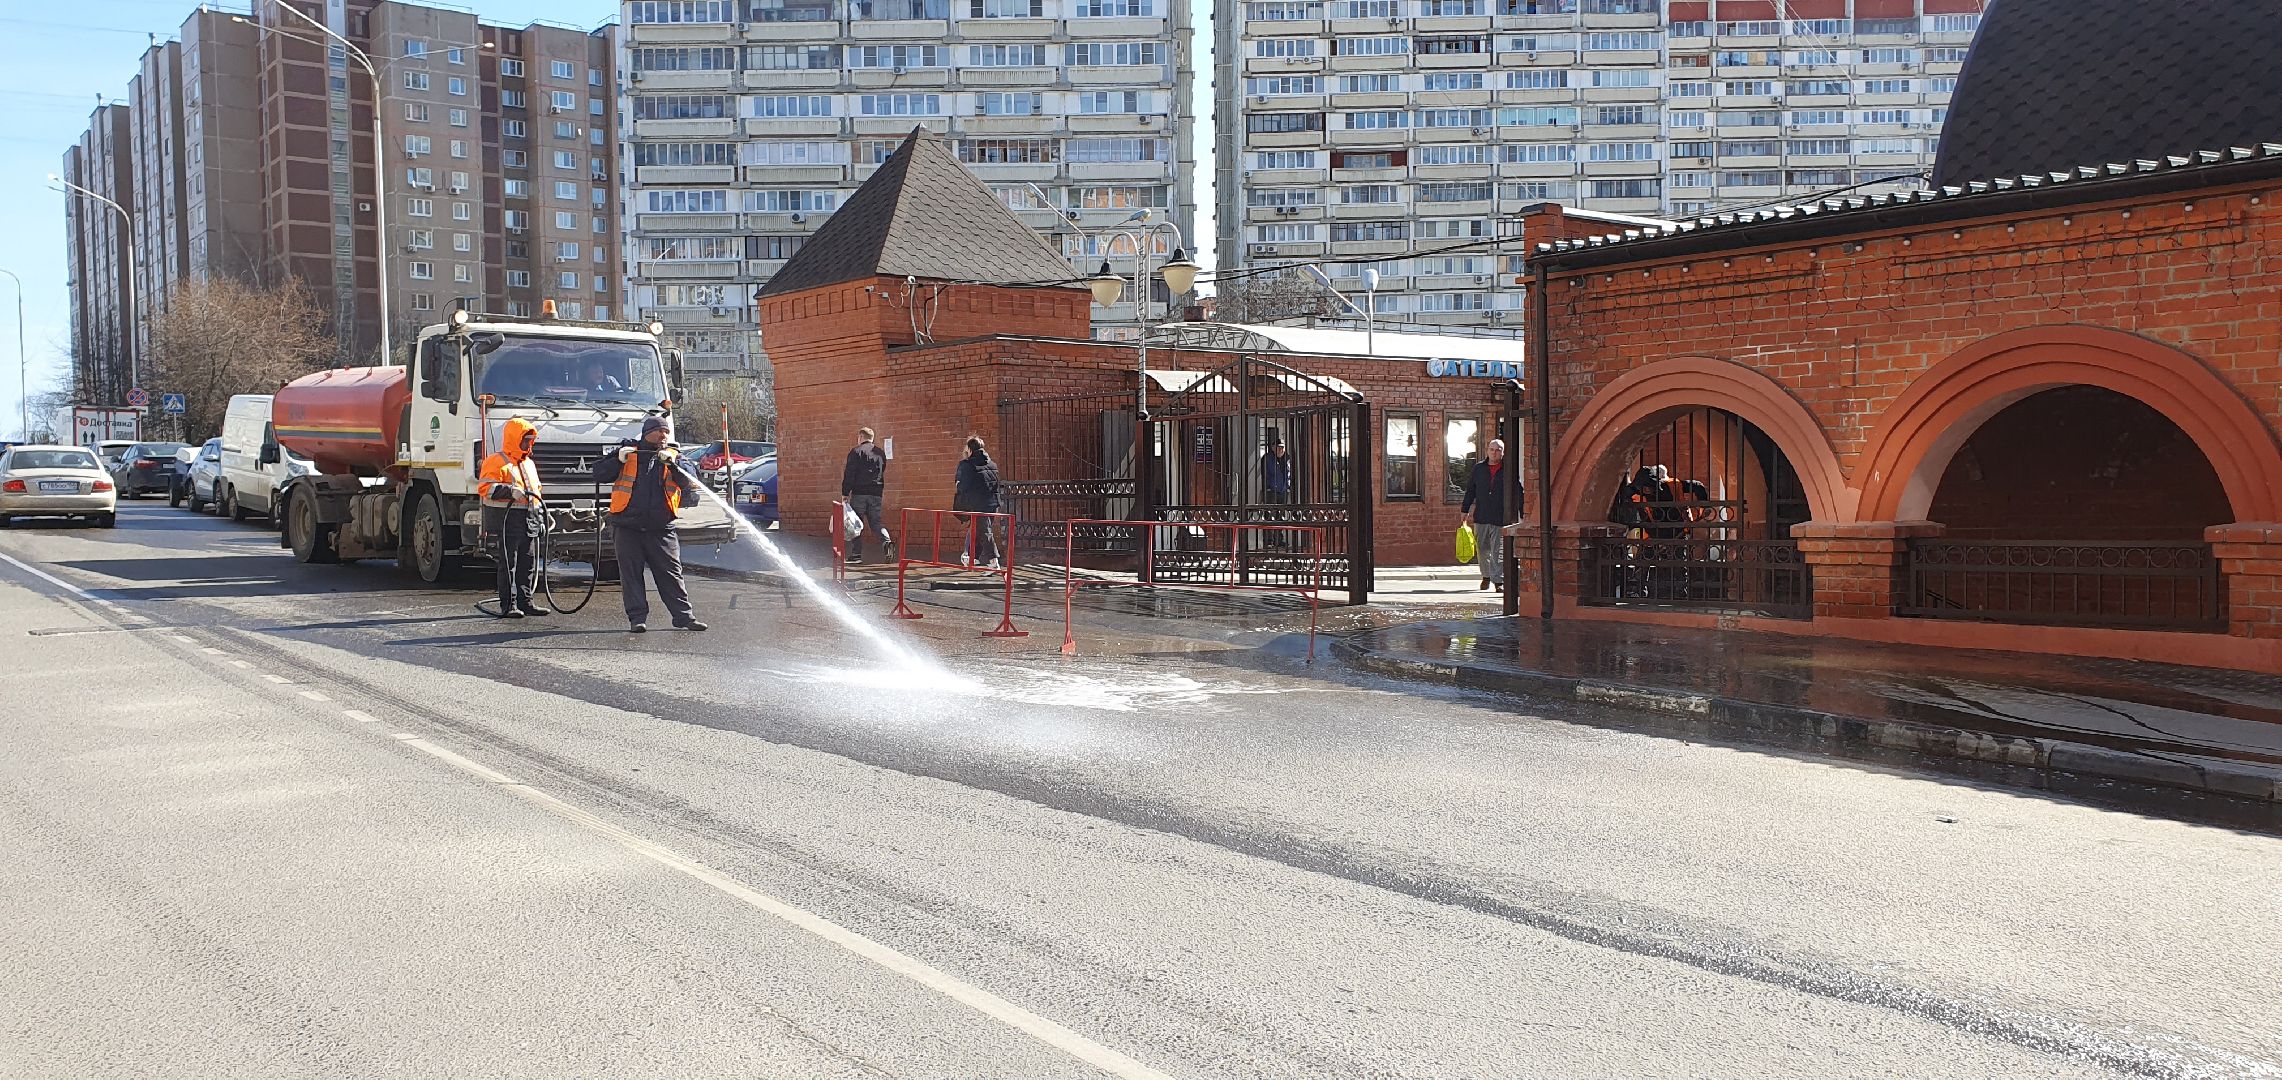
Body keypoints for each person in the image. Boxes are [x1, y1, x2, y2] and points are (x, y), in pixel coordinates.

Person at [609, 416, 707, 633]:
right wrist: (617, 459)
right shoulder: (628, 453)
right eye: (659, 432)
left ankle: (683, 617)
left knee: (671, 573)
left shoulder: (674, 457)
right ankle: (637, 619)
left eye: (666, 432)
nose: (664, 436)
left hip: (661, 528)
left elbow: (690, 479)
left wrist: (673, 465)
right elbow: (598, 474)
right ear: (647, 433)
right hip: (627, 526)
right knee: (631, 575)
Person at [478, 416, 547, 618]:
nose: (528, 444)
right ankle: (508, 605)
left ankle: (526, 603)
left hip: (529, 520)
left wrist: (540, 519)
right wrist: (509, 491)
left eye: (530, 440)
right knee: (509, 564)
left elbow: (537, 493)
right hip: (507, 520)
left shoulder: (529, 465)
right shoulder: (496, 461)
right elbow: (485, 488)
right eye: (525, 440)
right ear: (514, 438)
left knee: (528, 564)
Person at [1459, 438, 1518, 592]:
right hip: (1482, 515)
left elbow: (1517, 490)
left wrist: (1520, 510)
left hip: (1500, 516)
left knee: (1499, 549)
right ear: (1487, 451)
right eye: (1492, 449)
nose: (1494, 452)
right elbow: (1470, 489)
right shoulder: (1479, 469)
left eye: (1498, 450)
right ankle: (1486, 576)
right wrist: (1465, 510)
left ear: (1503, 452)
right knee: (1482, 548)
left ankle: (1498, 581)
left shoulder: (1508, 469)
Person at [840, 426, 891, 564]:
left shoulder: (856, 452)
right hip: (876, 493)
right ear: (872, 438)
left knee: (856, 524)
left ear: (861, 437)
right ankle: (887, 541)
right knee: (876, 523)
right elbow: (882, 470)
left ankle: (856, 555)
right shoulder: (880, 453)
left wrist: (845, 493)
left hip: (860, 493)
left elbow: (850, 473)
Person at [952, 435, 1003, 569]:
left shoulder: (966, 464)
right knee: (977, 529)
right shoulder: (992, 464)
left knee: (984, 532)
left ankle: (993, 561)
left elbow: (962, 486)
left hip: (977, 504)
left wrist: (958, 484)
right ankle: (971, 556)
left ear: (969, 449)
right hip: (992, 503)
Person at [1260, 432, 1292, 504]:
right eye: (1278, 447)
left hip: (1283, 492)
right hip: (1271, 492)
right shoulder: (1267, 458)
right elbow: (1264, 474)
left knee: (1282, 513)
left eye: (1282, 447)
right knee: (1271, 513)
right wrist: (1267, 488)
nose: (1281, 450)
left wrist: (1288, 486)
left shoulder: (1287, 458)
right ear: (1273, 448)